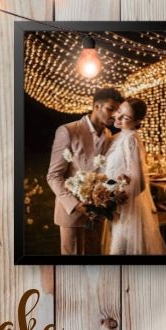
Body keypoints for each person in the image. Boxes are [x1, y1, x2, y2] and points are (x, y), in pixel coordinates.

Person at [47, 88, 123, 255]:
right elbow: (53, 176)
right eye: (110, 109)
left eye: (117, 111)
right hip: (72, 213)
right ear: (97, 106)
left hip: (99, 212)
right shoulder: (68, 131)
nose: (114, 115)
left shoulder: (109, 134)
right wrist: (75, 204)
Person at [104, 98, 166, 255]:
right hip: (117, 208)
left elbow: (139, 182)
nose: (118, 119)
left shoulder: (130, 139)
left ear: (137, 121)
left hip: (127, 211)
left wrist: (117, 201)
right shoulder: (119, 136)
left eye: (126, 118)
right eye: (119, 111)